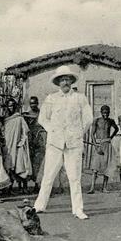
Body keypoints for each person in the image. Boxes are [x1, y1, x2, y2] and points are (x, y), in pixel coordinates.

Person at [33, 65, 93, 220]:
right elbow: (42, 118)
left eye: (67, 79)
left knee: (74, 177)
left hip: (73, 144)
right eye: (62, 79)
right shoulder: (51, 98)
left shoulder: (80, 98)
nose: (65, 82)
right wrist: (51, 130)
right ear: (58, 82)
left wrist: (79, 133)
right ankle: (39, 206)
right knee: (48, 176)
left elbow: (88, 119)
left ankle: (78, 209)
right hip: (55, 143)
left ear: (72, 81)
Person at [4, 98, 32, 193]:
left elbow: (25, 131)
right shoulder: (7, 119)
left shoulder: (19, 118)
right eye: (9, 105)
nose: (10, 107)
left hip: (18, 145)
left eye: (12, 105)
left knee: (21, 165)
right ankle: (10, 187)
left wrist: (21, 142)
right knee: (10, 165)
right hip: (9, 146)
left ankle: (24, 187)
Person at [88, 105, 118, 193]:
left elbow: (116, 129)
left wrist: (111, 137)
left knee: (107, 167)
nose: (106, 114)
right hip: (98, 145)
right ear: (101, 113)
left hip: (107, 145)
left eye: (107, 113)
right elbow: (92, 134)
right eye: (104, 113)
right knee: (95, 167)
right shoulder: (96, 121)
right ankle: (92, 187)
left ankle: (104, 187)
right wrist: (96, 146)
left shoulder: (111, 121)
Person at [23, 96, 46, 193]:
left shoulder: (42, 114)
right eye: (31, 103)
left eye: (34, 103)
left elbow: (46, 127)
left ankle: (37, 185)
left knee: (38, 164)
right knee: (27, 163)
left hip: (39, 141)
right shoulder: (26, 115)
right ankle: (25, 187)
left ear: (37, 103)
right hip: (29, 141)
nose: (33, 105)